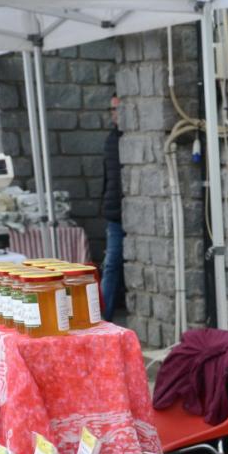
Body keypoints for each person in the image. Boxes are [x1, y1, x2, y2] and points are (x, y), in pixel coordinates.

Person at [100, 95, 125, 321]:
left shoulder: (126, 140)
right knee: (111, 265)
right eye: (112, 110)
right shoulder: (111, 140)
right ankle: (103, 317)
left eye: (117, 109)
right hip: (115, 215)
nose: (114, 114)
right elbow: (109, 180)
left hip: (125, 212)